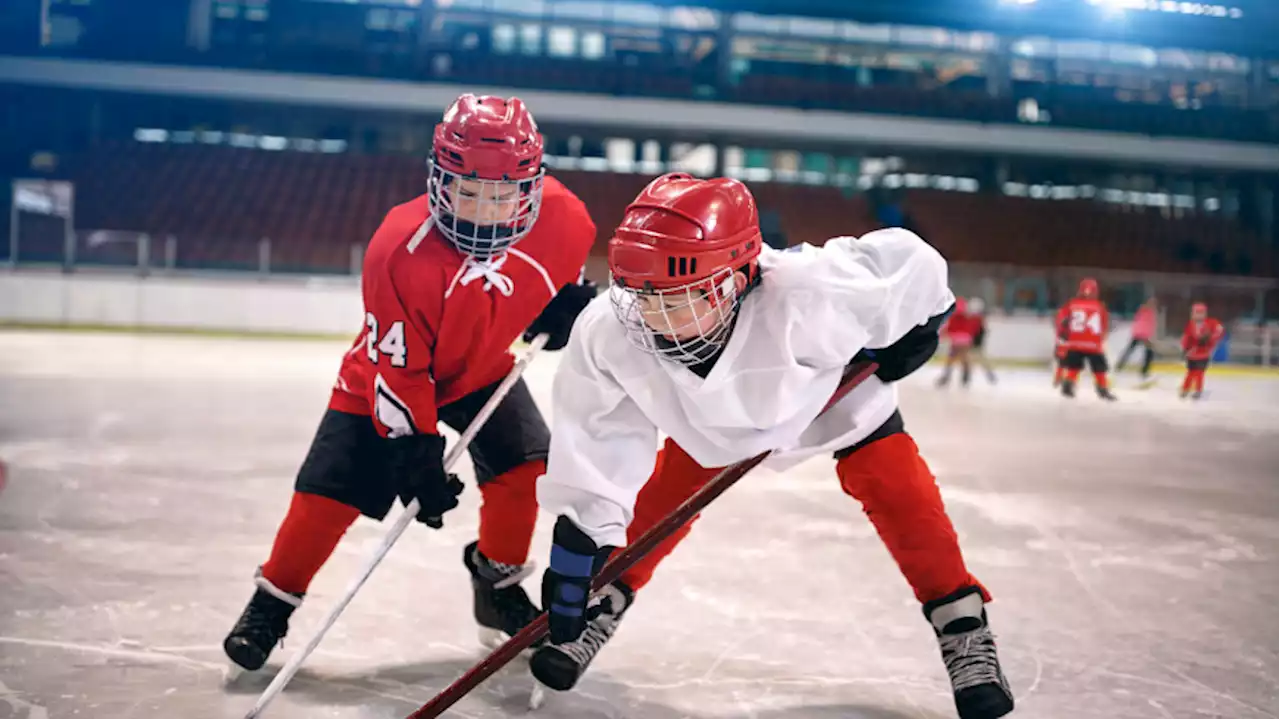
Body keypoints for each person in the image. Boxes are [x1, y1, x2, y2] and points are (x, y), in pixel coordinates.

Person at [531, 174, 1014, 719]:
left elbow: (915, 264)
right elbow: (600, 437)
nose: (654, 318)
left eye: (679, 298)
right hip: (714, 422)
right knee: (665, 495)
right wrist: (579, 549)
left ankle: (962, 623)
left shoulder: (814, 291)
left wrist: (922, 325)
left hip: (828, 395)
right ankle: (606, 600)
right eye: (642, 295)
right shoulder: (611, 329)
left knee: (898, 487)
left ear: (736, 279)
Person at [221, 94, 599, 671]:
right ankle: (271, 602)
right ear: (439, 180)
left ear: (530, 188)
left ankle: (495, 588)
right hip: (385, 377)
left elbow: (556, 279)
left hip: (481, 369)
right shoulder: (399, 248)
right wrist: (415, 449)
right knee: (327, 496)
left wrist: (560, 305)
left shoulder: (568, 220)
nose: (483, 212)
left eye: (501, 196)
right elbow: (399, 368)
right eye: (466, 191)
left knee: (526, 469)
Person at [1054, 278, 1117, 401]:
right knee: (1099, 368)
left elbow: (1061, 320)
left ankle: (1068, 384)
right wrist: (1101, 339)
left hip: (1074, 342)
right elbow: (1104, 326)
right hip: (1093, 344)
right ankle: (1102, 389)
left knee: (1073, 366)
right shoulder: (1099, 306)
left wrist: (1062, 337)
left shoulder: (1071, 304)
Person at [1179, 302, 1224, 400]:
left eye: (1201, 313)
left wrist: (1210, 338)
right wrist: (1185, 349)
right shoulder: (1190, 325)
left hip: (1203, 354)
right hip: (1191, 354)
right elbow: (1186, 338)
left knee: (1199, 373)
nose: (1198, 315)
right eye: (1196, 313)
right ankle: (1185, 389)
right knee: (1190, 373)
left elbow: (1219, 330)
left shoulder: (1211, 323)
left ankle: (1198, 390)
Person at [936, 297, 983, 388]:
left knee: (954, 359)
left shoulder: (963, 318)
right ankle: (963, 377)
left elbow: (950, 329)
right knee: (962, 359)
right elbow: (974, 330)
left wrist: (943, 335)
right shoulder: (969, 318)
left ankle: (949, 377)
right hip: (963, 340)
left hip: (960, 341)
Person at [1116, 297, 1157, 383]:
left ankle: (1120, 366)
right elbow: (1142, 322)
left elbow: (1150, 325)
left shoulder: (1150, 311)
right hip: (1141, 333)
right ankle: (1143, 372)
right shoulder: (1144, 310)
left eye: (1153, 303)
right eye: (1151, 302)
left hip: (1143, 334)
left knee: (1135, 350)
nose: (1153, 304)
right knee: (1146, 352)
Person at [968, 297, 998, 384]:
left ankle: (968, 377)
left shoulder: (978, 319)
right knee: (972, 361)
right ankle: (967, 377)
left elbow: (979, 332)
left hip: (975, 343)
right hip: (973, 343)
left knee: (975, 360)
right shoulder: (978, 319)